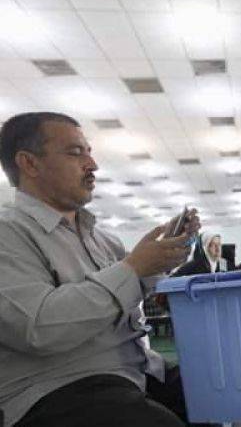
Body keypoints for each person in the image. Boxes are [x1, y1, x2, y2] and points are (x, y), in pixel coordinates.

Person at [0, 112, 200, 427]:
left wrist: (163, 256)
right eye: (75, 153)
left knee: (228, 390)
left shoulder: (101, 238)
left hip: (135, 371)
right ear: (29, 163)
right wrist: (133, 268)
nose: (92, 165)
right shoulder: (8, 233)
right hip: (57, 389)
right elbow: (39, 328)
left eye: (89, 152)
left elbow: (130, 286)